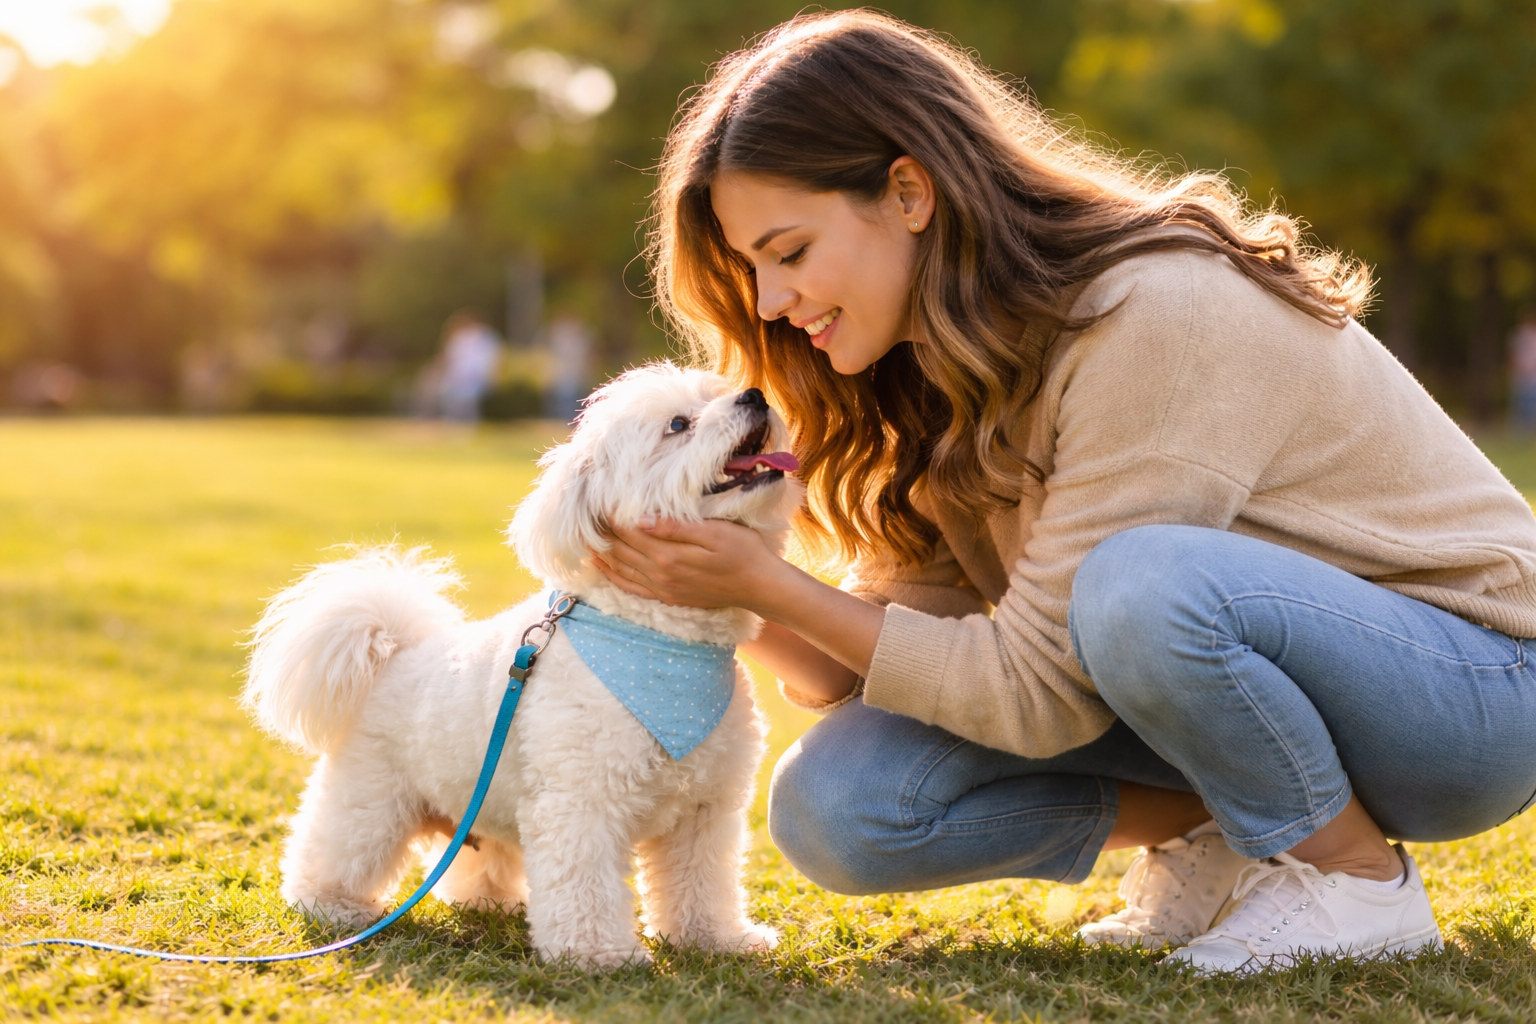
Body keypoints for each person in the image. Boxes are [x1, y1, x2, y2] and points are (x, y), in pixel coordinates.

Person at [592, 11, 1536, 973]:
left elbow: (1037, 691)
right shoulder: (928, 366)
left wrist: (770, 588)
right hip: (1229, 684)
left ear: (910, 192)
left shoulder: (1153, 311)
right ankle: (1233, 829)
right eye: (751, 267)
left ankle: (1353, 880)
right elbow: (874, 654)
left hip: (1472, 698)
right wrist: (719, 579)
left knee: (1137, 585)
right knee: (840, 807)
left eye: (788, 253)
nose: (767, 305)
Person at [437, 310, 503, 421]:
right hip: (460, 380)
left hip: (472, 380)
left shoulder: (481, 338)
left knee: (463, 400)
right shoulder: (463, 339)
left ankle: (463, 421)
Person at [1509, 307, 1536, 433]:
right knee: (1520, 405)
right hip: (1521, 376)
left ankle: (1530, 431)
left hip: (1533, 377)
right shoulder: (1519, 335)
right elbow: (1512, 355)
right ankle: (1519, 432)